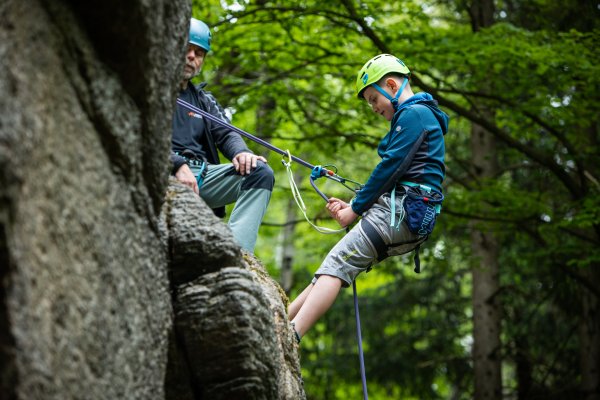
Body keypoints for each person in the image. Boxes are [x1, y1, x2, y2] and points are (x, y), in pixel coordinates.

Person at [288, 54, 449, 342]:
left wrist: (355, 210)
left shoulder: (414, 114)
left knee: (337, 264)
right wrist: (354, 205)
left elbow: (390, 167)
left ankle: (290, 335)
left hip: (401, 212)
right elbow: (400, 174)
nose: (373, 108)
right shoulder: (421, 116)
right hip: (409, 216)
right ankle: (283, 319)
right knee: (333, 267)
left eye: (374, 99)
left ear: (391, 85)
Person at [171, 18, 274, 253]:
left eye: (199, 53)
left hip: (202, 175)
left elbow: (227, 133)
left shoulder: (204, 101)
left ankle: (236, 255)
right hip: (163, 167)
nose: (192, 57)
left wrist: (242, 152)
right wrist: (176, 164)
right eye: (186, 48)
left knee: (259, 173)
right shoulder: (151, 88)